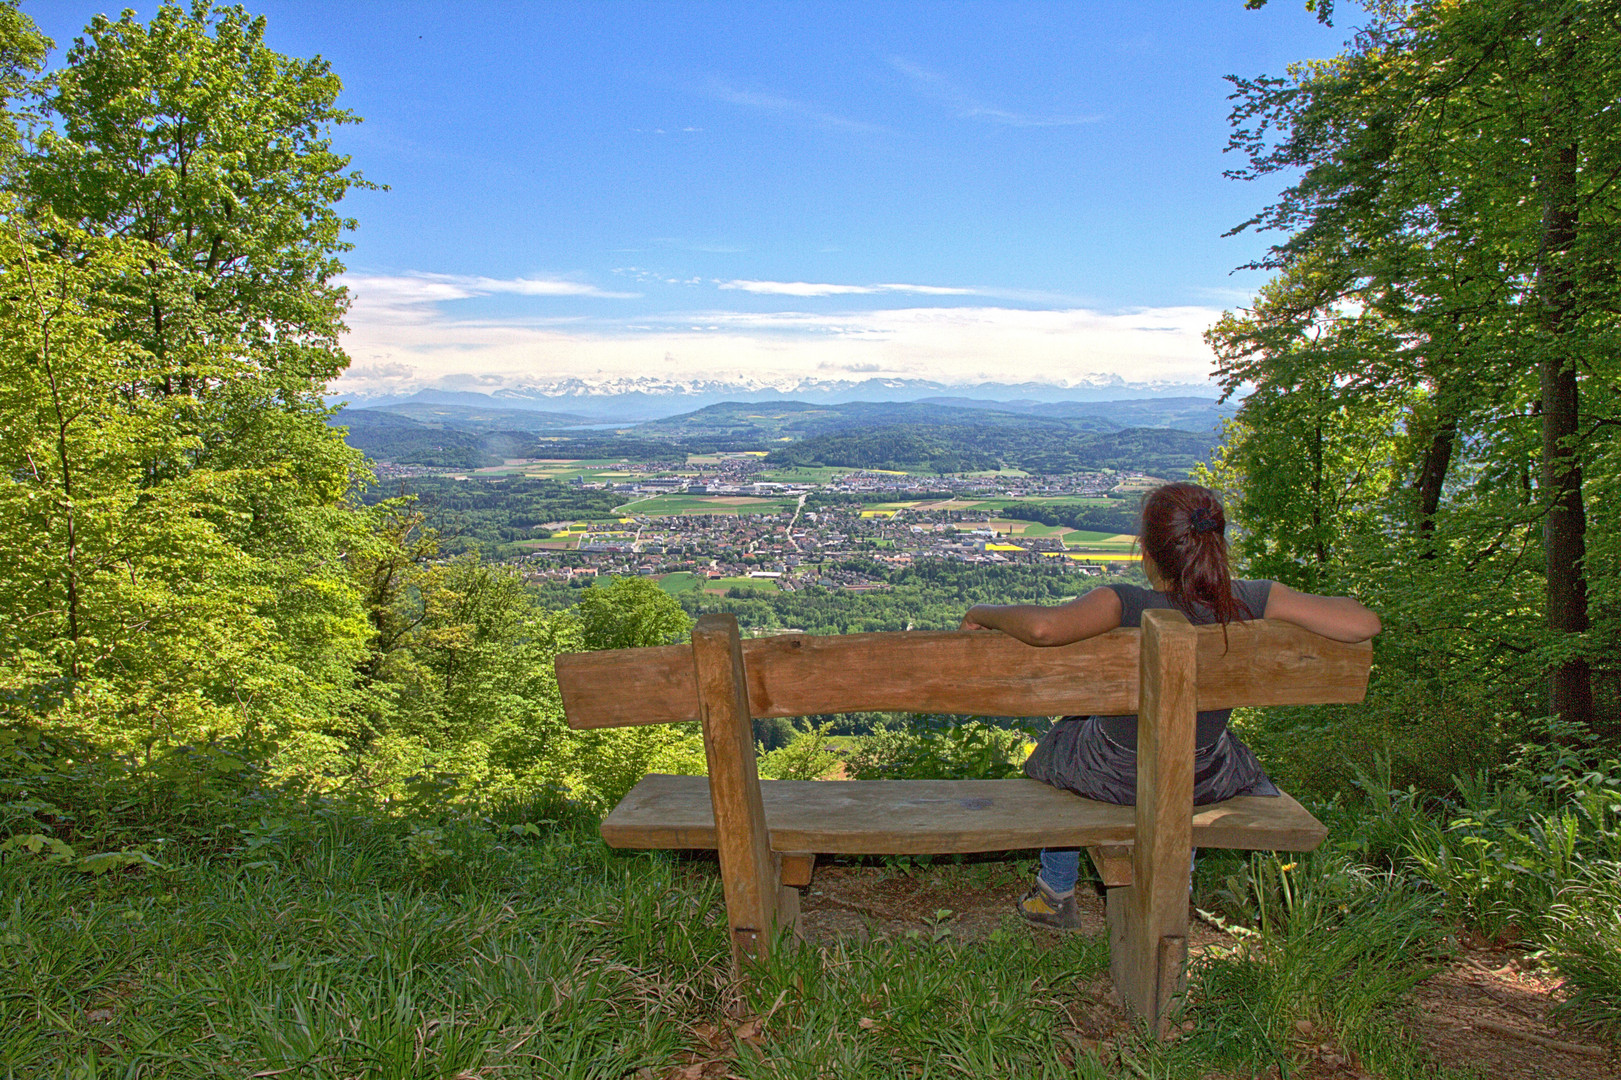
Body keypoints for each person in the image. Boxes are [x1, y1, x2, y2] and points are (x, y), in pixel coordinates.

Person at [959, 482, 1380, 929]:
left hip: (1112, 773)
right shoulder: (1252, 599)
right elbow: (1363, 622)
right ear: (1215, 544)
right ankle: (1181, 885)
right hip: (1203, 776)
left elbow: (1043, 629)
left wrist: (982, 610)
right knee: (1196, 740)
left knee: (1068, 733)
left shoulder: (1125, 603)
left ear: (1149, 553)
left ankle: (1055, 889)